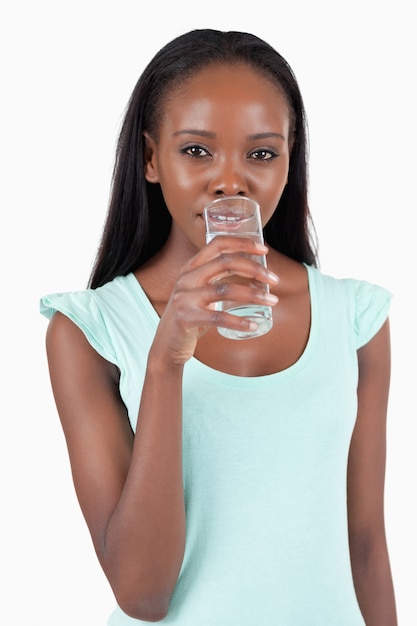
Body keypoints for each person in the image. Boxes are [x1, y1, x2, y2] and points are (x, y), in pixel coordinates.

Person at [40, 29, 397, 625]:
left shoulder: (355, 319)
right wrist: (166, 359)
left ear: (289, 160)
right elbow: (142, 595)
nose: (230, 181)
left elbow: (365, 545)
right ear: (151, 159)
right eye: (197, 150)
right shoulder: (90, 329)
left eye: (261, 153)